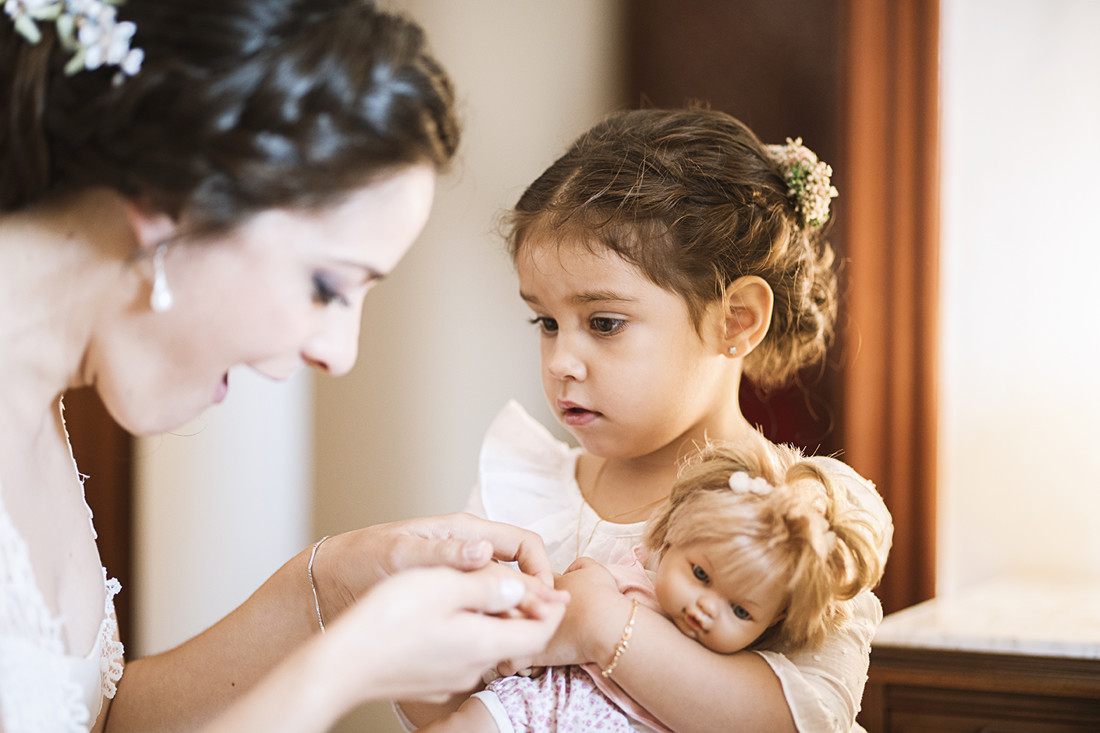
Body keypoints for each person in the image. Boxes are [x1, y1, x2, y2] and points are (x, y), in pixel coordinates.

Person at [0, 2, 569, 732]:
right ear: (170, 194)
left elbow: (89, 719)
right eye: (328, 286)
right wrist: (351, 664)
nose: (339, 352)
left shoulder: (35, 397)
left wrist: (326, 592)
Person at [398, 107, 893, 732]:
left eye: (604, 323)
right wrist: (437, 651)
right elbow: (433, 707)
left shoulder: (798, 513)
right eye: (546, 323)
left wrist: (606, 630)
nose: (562, 362)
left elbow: (797, 719)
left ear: (736, 319)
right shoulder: (522, 491)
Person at [419, 439, 887, 733]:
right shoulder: (634, 576)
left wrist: (599, 622)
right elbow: (572, 590)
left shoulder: (750, 667)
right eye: (700, 575)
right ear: (671, 535)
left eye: (741, 612)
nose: (706, 608)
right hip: (535, 712)